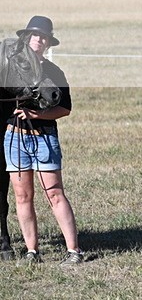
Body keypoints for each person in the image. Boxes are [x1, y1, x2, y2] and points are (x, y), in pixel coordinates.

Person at [3, 16, 84, 265]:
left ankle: (74, 251)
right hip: (14, 138)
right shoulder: (9, 67)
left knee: (55, 194)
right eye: (35, 35)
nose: (39, 40)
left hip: (44, 138)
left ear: (49, 42)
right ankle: (32, 251)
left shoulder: (53, 71)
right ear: (27, 38)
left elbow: (65, 109)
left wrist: (36, 113)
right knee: (23, 197)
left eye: (43, 37)